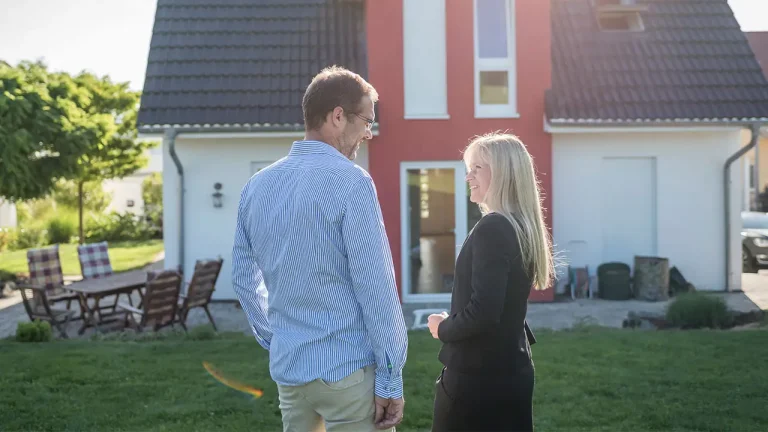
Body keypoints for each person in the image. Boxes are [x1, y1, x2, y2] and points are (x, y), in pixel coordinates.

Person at [231, 65, 408, 432]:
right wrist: (391, 379)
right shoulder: (352, 182)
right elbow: (376, 289)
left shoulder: (256, 186)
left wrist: (276, 338)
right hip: (347, 373)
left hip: (290, 375)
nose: (368, 133)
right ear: (338, 117)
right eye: (366, 121)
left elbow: (244, 281)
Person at [427, 132, 555, 432]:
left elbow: (484, 312)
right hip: (510, 371)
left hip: (477, 381)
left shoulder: (493, 227)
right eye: (468, 168)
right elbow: (504, 306)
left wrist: (442, 327)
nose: (468, 177)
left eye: (477, 168)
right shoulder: (519, 226)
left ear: (503, 173)